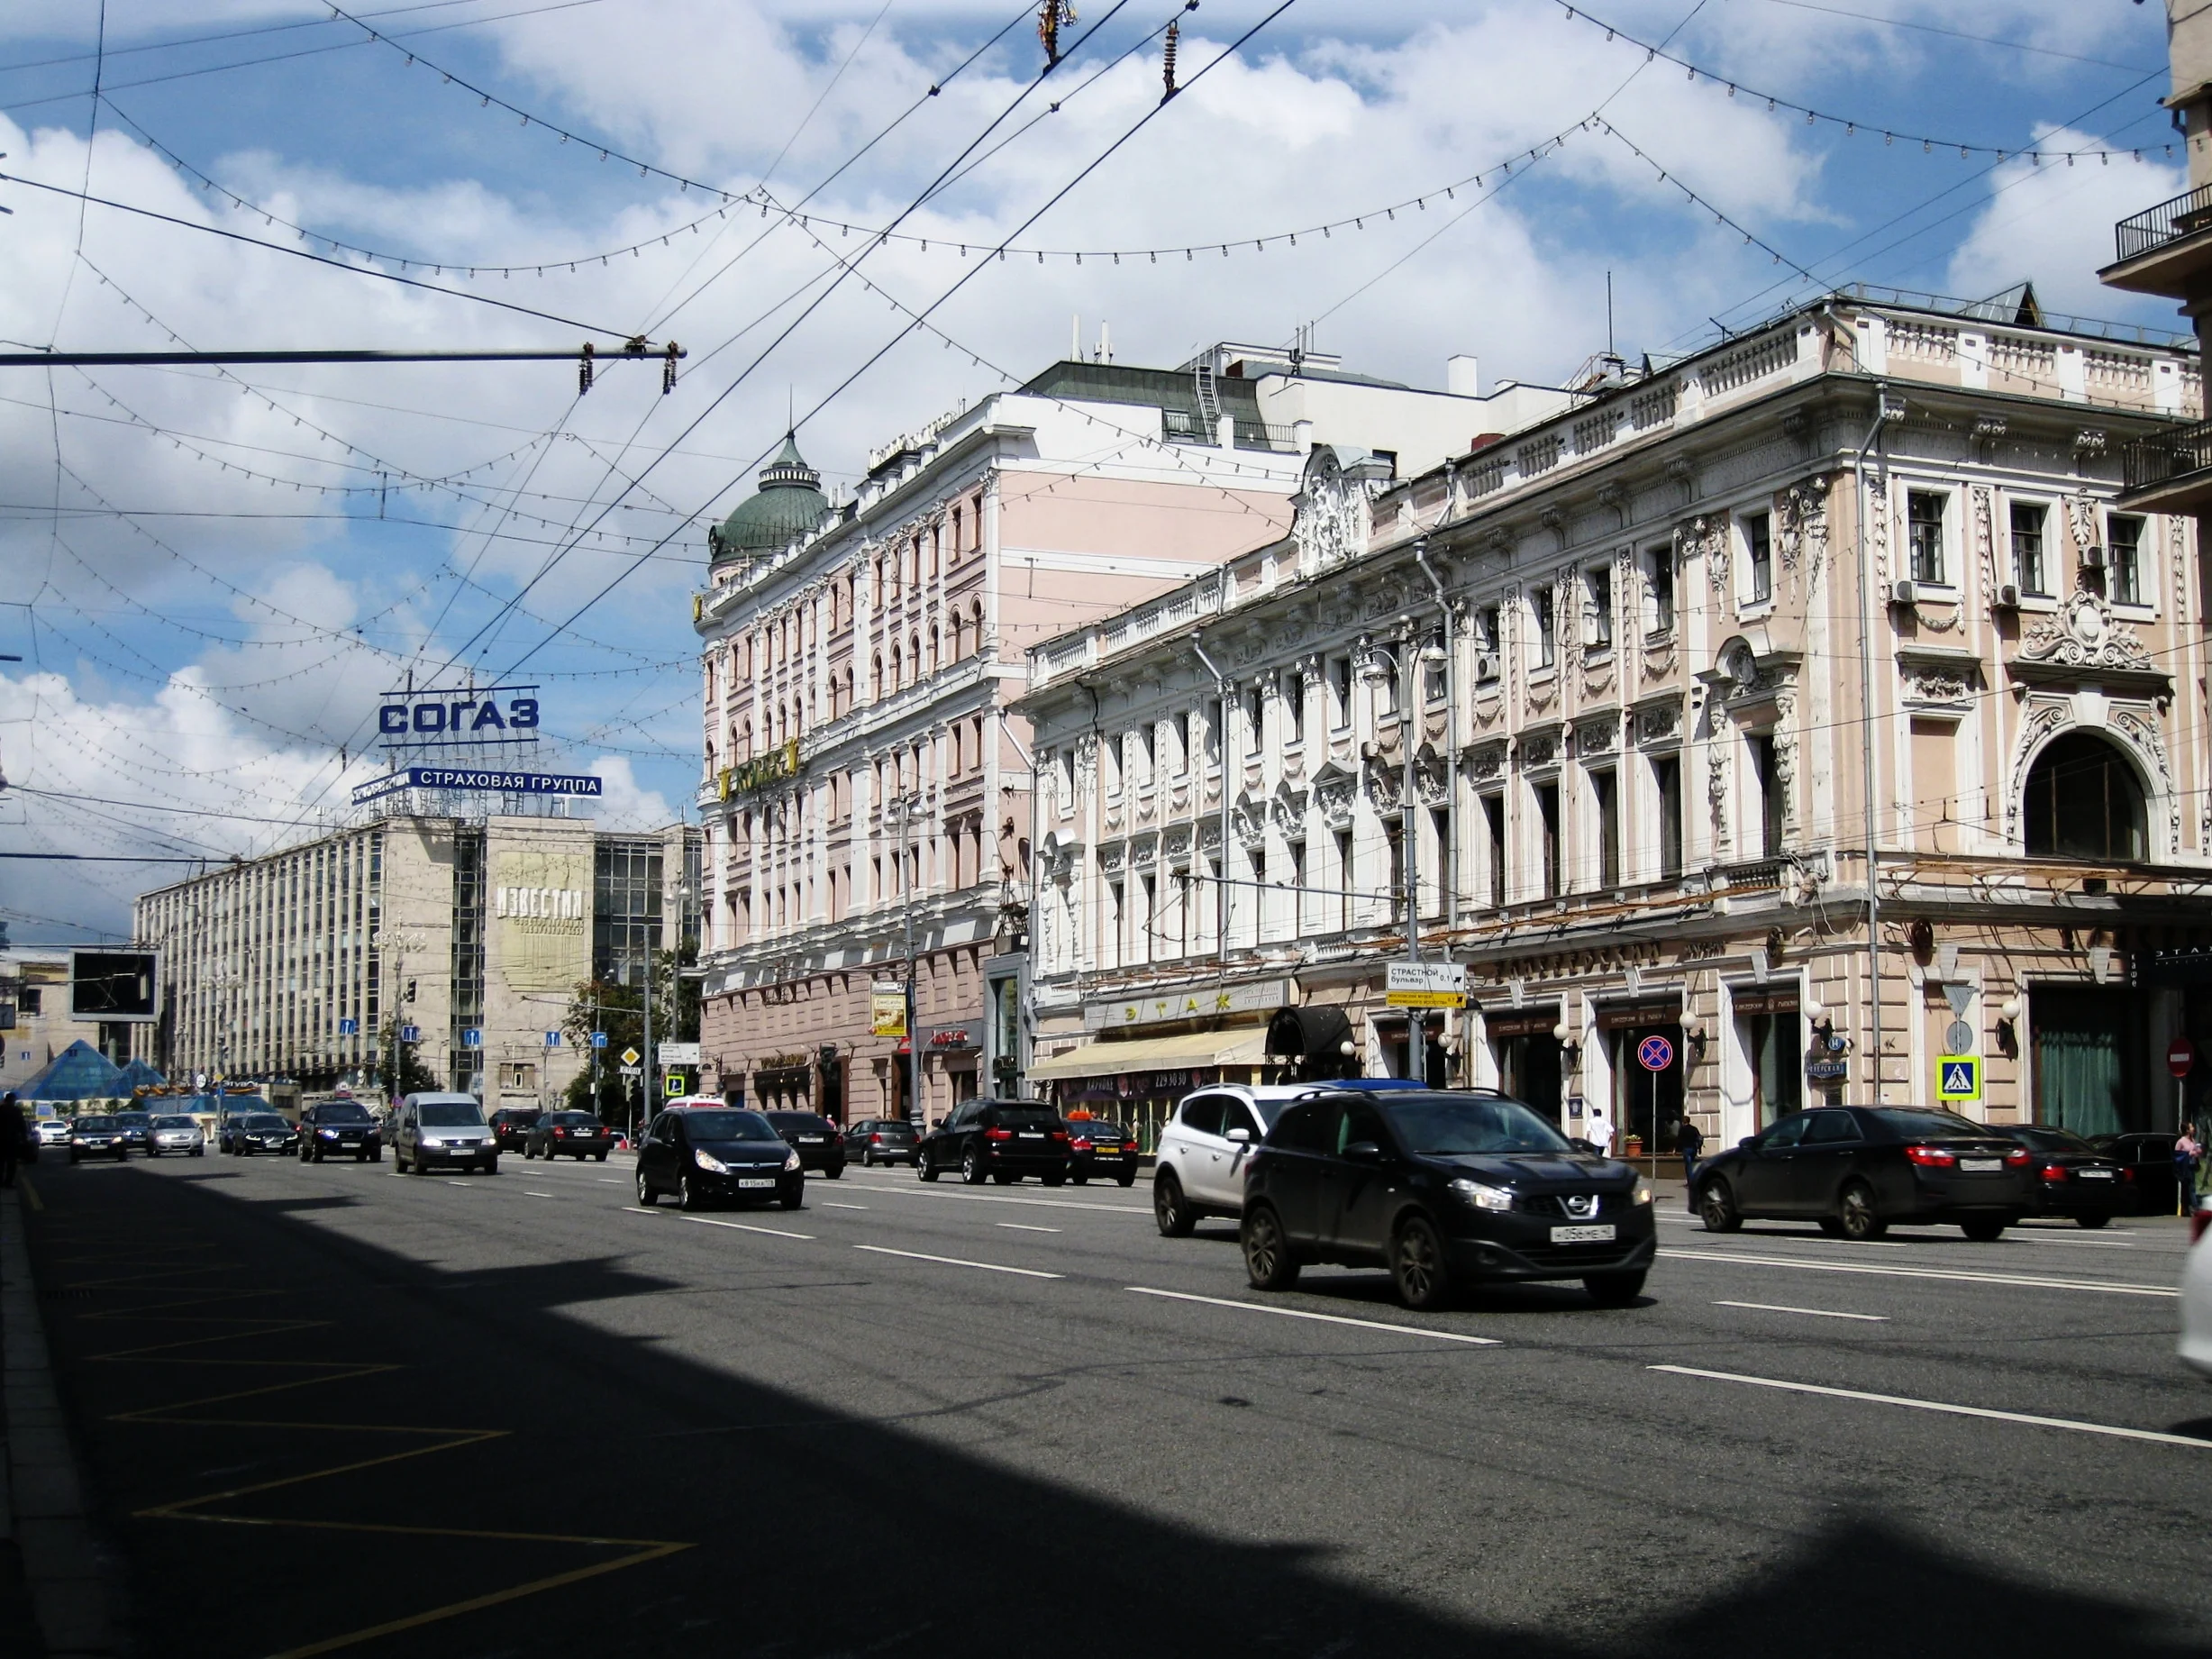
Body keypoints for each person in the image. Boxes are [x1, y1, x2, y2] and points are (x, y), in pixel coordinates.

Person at [2177, 1124, 2203, 1217]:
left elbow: (2196, 1152)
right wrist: (2189, 1154)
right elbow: (2177, 1155)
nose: (2193, 1128)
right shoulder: (2181, 1141)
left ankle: (2186, 1209)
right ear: (2187, 1130)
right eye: (2191, 1127)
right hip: (2185, 1167)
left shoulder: (2192, 1140)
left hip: (2192, 1166)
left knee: (2189, 1188)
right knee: (2191, 1188)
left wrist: (2197, 1151)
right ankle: (2196, 1208)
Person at [0, 1092, 23, 1188]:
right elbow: (22, 1125)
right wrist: (24, 1138)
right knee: (11, 1163)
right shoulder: (16, 1111)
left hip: (1, 1140)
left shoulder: (1, 1109)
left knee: (1, 1163)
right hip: (12, 1140)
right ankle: (8, 1182)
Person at [1678, 1115, 1705, 1190]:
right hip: (1694, 1149)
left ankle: (1692, 1182)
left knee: (1689, 1166)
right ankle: (1691, 1181)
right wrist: (1699, 1149)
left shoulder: (1682, 1129)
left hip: (1687, 1149)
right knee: (1690, 1165)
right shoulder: (1694, 1129)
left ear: (1683, 1122)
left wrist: (1676, 1149)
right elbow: (1699, 1138)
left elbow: (1679, 1140)